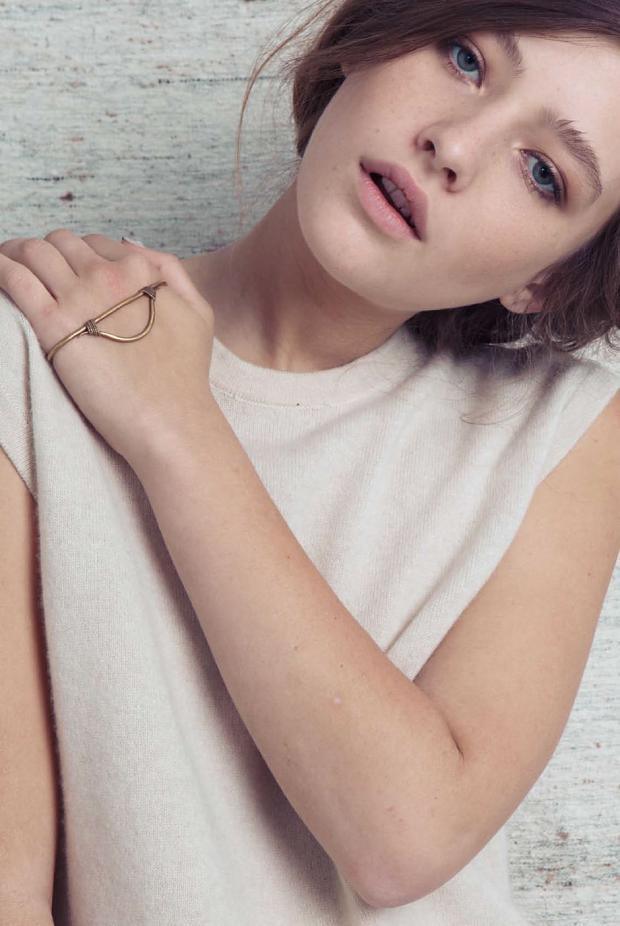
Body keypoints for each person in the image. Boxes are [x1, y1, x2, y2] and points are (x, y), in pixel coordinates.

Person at [0, 1, 619, 924]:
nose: (455, 146)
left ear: (546, 278)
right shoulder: (34, 350)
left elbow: (404, 840)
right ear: (367, 43)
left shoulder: (560, 431)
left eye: (543, 172)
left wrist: (177, 426)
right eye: (465, 58)